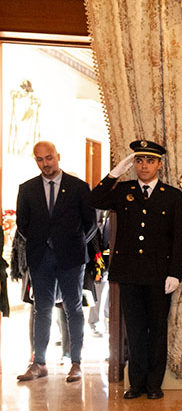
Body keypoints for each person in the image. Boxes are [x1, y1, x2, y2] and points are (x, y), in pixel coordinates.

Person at [86, 139, 182, 400]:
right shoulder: (123, 190)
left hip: (159, 274)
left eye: (150, 161)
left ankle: (154, 384)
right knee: (135, 329)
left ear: (159, 164)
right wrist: (114, 174)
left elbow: (179, 238)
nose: (144, 165)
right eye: (139, 160)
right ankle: (136, 383)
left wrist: (175, 273)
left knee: (157, 330)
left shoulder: (172, 195)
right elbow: (93, 199)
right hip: (129, 272)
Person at [15, 141, 95, 383]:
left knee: (73, 308)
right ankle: (39, 363)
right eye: (40, 159)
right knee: (41, 309)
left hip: (71, 258)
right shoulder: (27, 189)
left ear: (58, 156)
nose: (45, 164)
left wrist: (73, 244)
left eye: (49, 158)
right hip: (41, 258)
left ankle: (76, 363)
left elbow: (90, 224)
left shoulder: (78, 187)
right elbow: (22, 224)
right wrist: (42, 242)